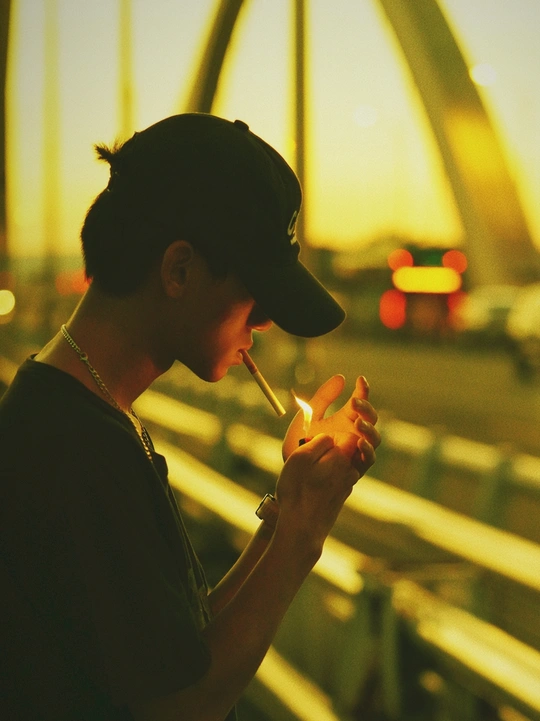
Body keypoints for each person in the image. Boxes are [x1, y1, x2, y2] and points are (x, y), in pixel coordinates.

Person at [0, 113, 380, 721]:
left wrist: (286, 511)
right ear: (178, 270)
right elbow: (181, 705)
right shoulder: (74, 449)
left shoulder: (85, 412)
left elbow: (179, 652)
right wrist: (305, 532)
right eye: (255, 293)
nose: (265, 322)